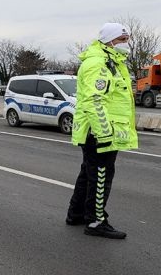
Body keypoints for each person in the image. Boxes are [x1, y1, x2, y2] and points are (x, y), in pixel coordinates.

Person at [66, 22, 138, 239]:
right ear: (110, 41)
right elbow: (94, 100)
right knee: (101, 175)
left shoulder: (110, 61)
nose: (127, 44)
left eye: (127, 40)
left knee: (88, 173)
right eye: (122, 40)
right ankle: (96, 222)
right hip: (99, 132)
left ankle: (76, 214)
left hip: (96, 130)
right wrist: (104, 134)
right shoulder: (99, 64)